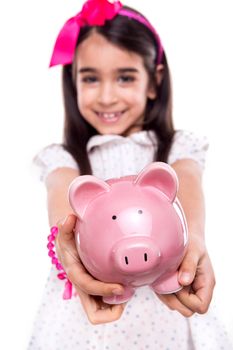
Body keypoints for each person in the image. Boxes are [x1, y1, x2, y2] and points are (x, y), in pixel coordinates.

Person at [29, 0, 233, 349]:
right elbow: (64, 194)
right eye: (90, 78)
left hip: (163, 327)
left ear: (154, 82)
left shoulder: (178, 149)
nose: (107, 96)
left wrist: (194, 238)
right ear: (72, 82)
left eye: (125, 77)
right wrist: (67, 243)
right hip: (82, 329)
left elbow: (186, 186)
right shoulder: (64, 159)